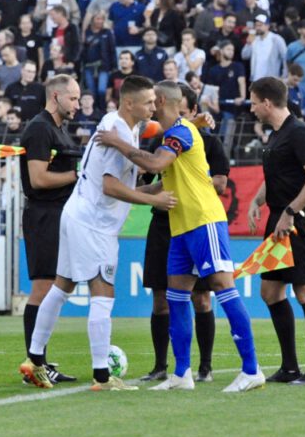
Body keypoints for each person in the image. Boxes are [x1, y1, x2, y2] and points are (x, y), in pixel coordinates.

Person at [95, 80, 265, 393]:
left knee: (221, 286)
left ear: (160, 101)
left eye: (150, 102)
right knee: (176, 296)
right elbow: (162, 182)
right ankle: (182, 373)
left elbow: (156, 163)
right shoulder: (175, 132)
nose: (148, 107)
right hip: (180, 228)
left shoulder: (181, 133)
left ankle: (252, 369)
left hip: (205, 221)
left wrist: (117, 142)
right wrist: (125, 194)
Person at [24, 78, 178, 392]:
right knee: (103, 293)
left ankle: (35, 361)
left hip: (76, 213)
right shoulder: (119, 130)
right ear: (130, 103)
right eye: (149, 102)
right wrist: (153, 200)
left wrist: (154, 188)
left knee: (62, 286)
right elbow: (109, 186)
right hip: (94, 223)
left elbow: (119, 185)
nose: (154, 107)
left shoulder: (121, 125)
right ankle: (102, 377)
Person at [139, 84, 229, 382]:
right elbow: (150, 175)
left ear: (189, 110)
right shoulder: (164, 139)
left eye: (187, 111)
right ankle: (162, 366)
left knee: (203, 297)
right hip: (164, 224)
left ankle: (205, 366)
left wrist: (191, 183)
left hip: (195, 221)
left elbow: (219, 184)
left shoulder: (208, 143)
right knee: (161, 298)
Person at [245, 76, 305, 385]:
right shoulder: (277, 135)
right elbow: (278, 175)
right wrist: (258, 199)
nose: (252, 108)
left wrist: (290, 212)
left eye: (254, 102)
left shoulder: (298, 132)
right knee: (270, 292)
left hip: (298, 222)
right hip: (278, 220)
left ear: (267, 103)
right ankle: (290, 367)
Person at [17, 74, 82, 386]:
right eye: (73, 98)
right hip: (44, 215)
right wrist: (78, 175)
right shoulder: (40, 129)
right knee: (43, 288)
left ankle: (39, 359)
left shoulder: (57, 128)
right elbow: (39, 179)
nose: (77, 105)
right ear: (56, 96)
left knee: (55, 287)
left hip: (58, 214)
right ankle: (35, 363)